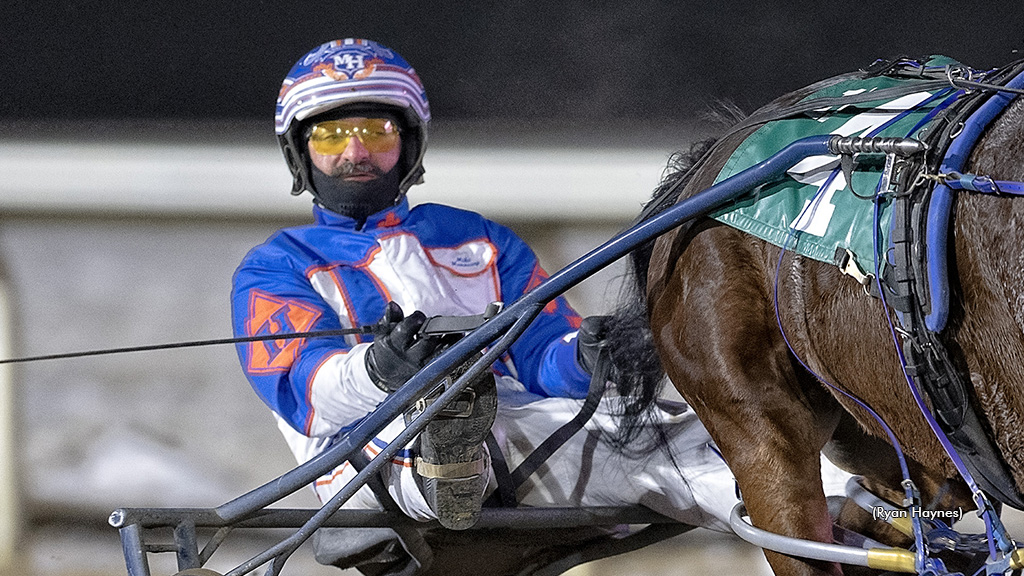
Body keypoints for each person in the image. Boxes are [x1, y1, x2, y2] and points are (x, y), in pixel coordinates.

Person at [230, 39, 849, 573]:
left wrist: (592, 355)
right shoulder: (273, 267)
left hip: (525, 438)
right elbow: (307, 394)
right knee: (654, 451)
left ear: (410, 145)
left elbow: (543, 357)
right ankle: (451, 460)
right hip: (367, 466)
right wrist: (382, 369)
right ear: (300, 153)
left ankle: (873, 513)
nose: (355, 153)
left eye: (376, 132)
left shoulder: (479, 237)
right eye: (332, 134)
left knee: (703, 424)